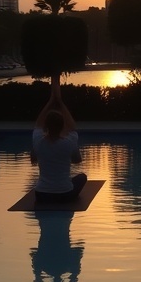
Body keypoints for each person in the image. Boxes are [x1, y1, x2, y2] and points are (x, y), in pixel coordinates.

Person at [31, 75, 87, 204]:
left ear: (46, 126)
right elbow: (77, 160)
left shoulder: (38, 141)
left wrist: (51, 102)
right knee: (82, 177)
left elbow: (38, 125)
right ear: (63, 126)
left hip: (42, 195)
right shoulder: (69, 142)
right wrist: (60, 102)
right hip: (64, 195)